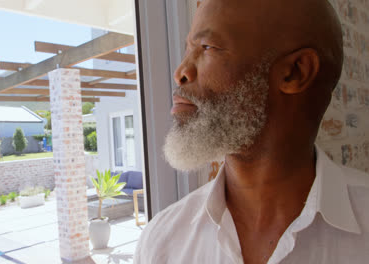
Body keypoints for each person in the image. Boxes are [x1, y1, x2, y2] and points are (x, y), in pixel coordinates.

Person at [134, 0, 369, 263]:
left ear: (295, 72)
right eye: (188, 49)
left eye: (208, 47)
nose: (181, 73)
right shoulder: (162, 242)